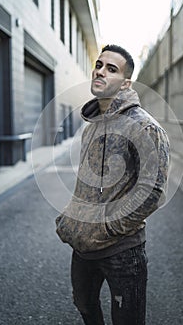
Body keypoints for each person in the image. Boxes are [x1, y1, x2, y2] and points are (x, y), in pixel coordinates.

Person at [56, 44, 170, 325]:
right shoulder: (91, 126)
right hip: (83, 248)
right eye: (98, 65)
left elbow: (152, 192)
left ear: (126, 82)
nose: (100, 71)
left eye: (111, 69)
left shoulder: (144, 127)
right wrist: (72, 219)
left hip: (122, 251)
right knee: (85, 307)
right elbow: (86, 184)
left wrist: (108, 227)